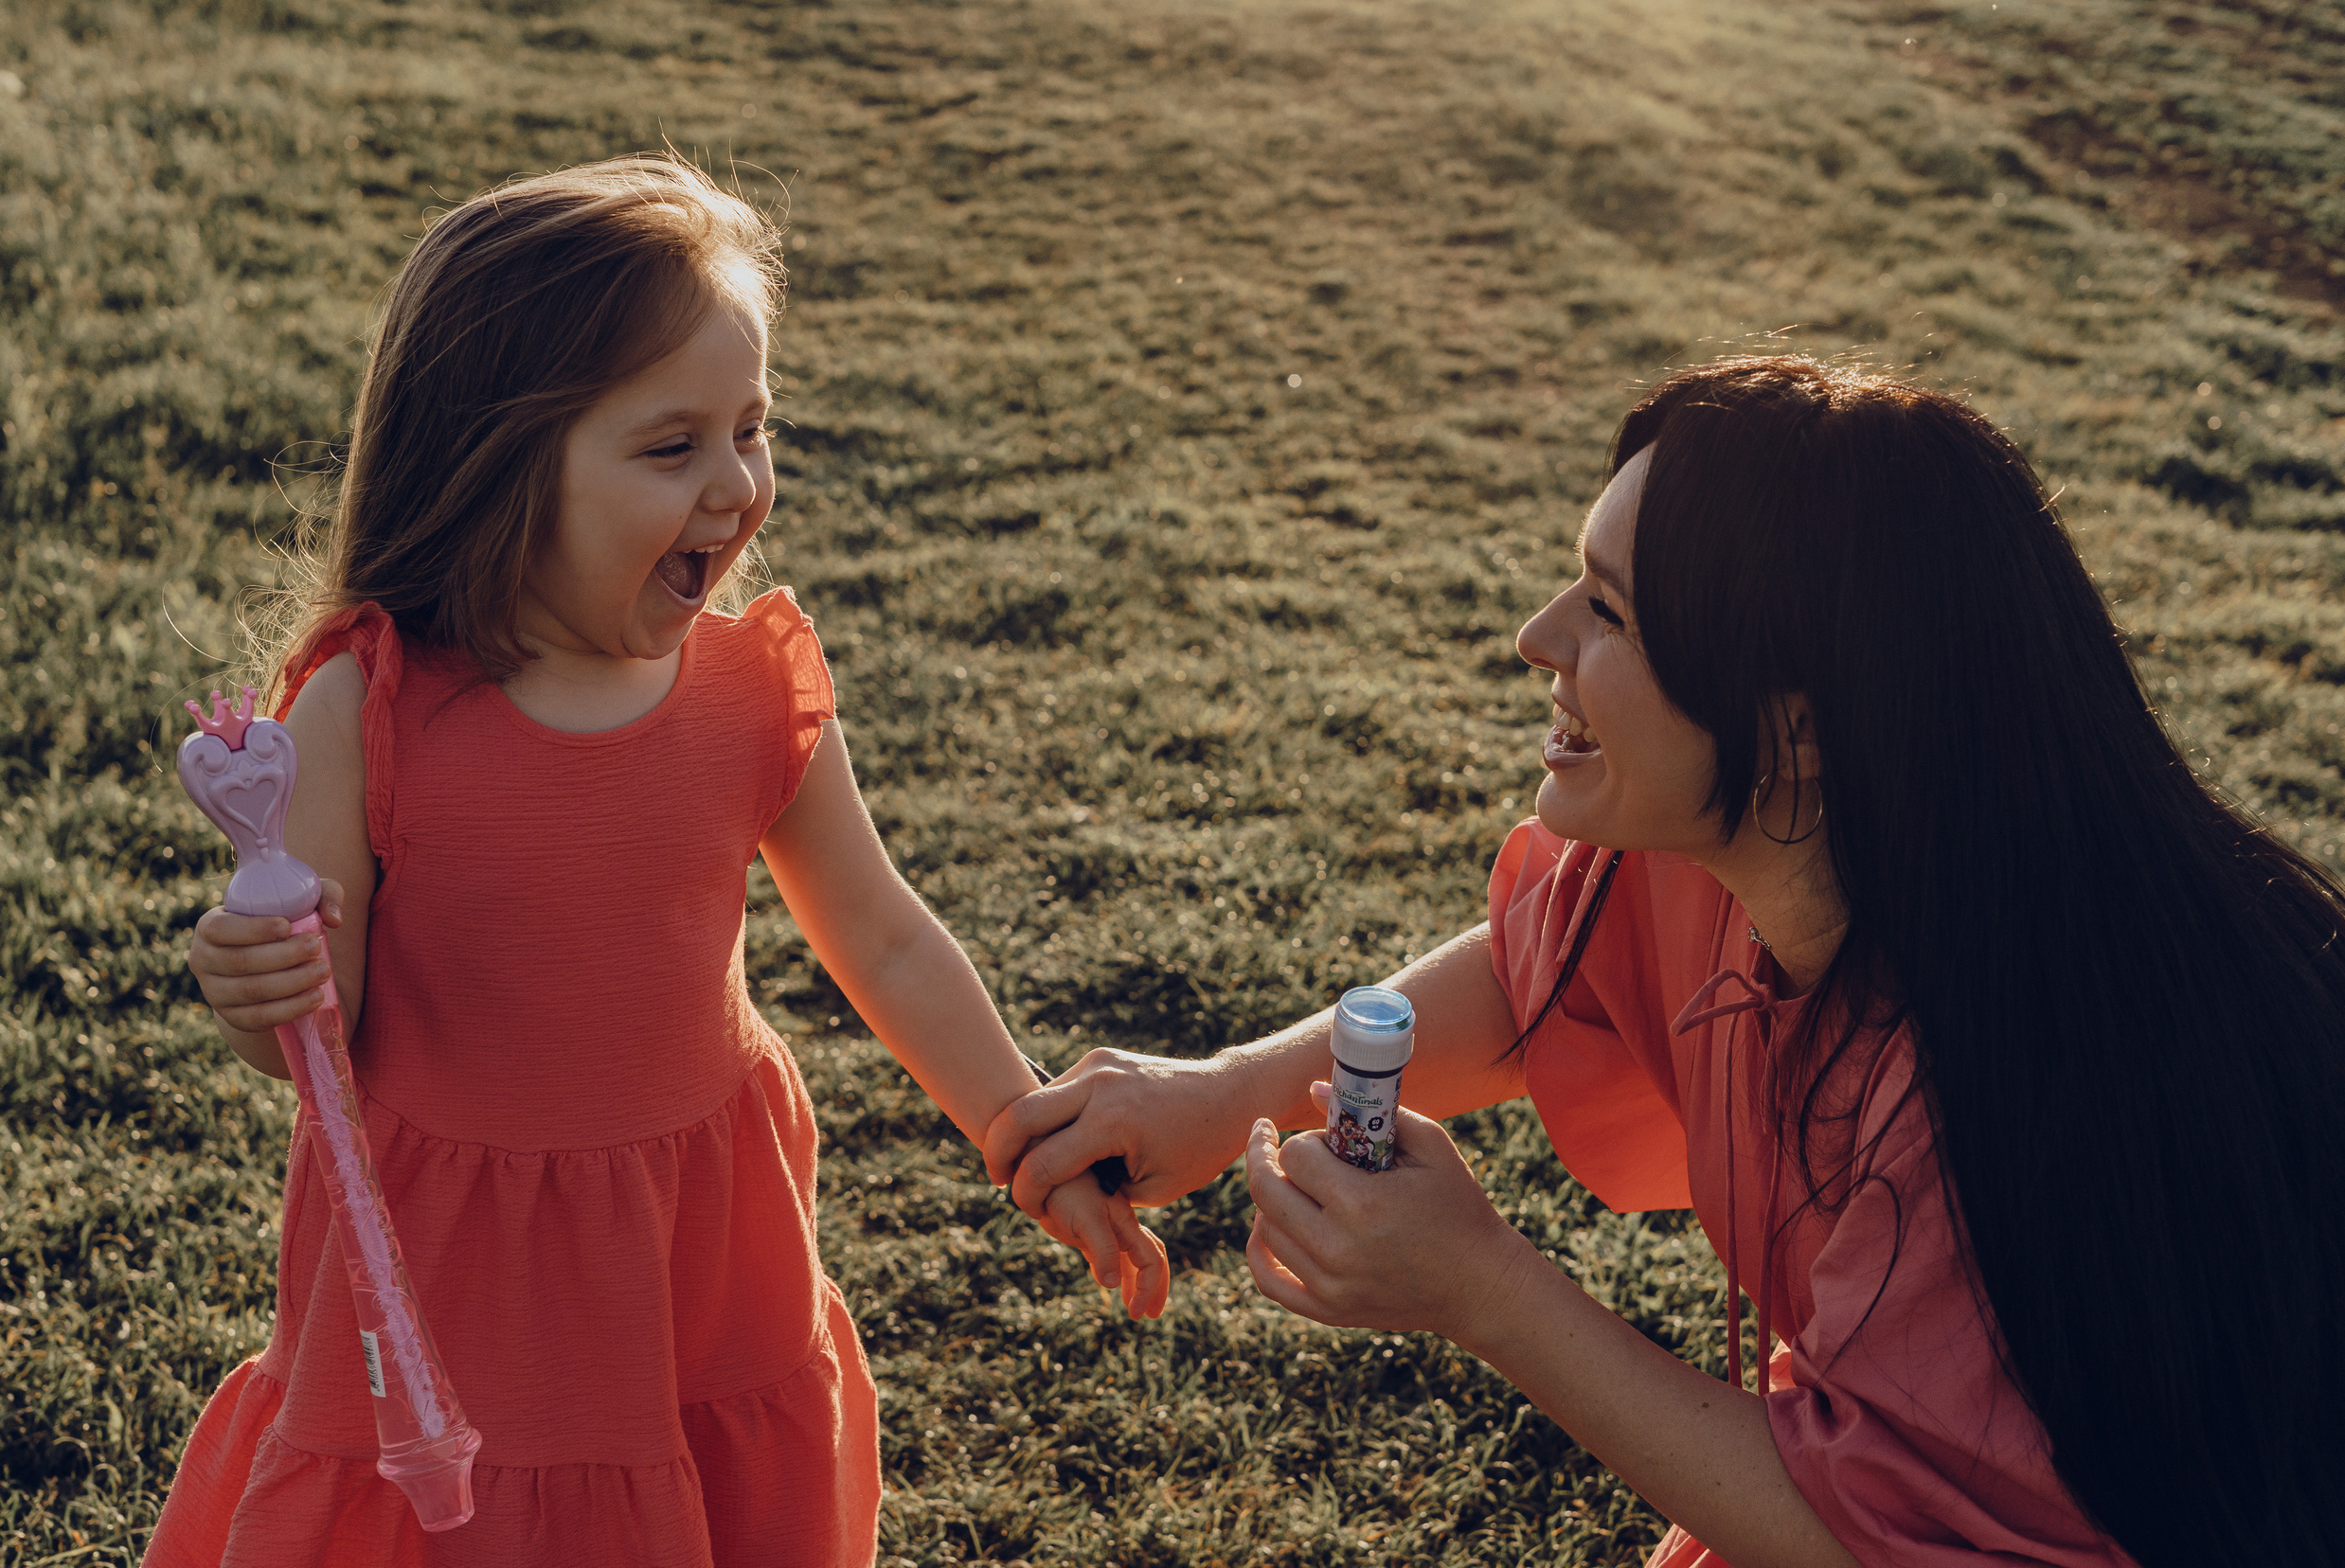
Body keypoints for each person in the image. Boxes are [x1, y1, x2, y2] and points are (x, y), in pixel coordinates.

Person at [988, 355, 2345, 1568]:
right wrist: (1226, 1095)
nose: (1539, 639)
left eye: (1611, 614)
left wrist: (1488, 1291)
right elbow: (1539, 977)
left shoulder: (2018, 1092)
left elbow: (1888, 1534)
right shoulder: (1762, 851)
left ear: (1796, 731)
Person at [147, 154, 1167, 1568]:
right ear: (499, 465)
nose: (736, 485)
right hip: (462, 1261)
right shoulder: (365, 713)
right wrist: (259, 980)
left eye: (752, 428)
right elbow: (318, 1052)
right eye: (670, 446)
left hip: (704, 1231)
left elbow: (877, 932)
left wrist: (1017, 1127)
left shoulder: (750, 689)